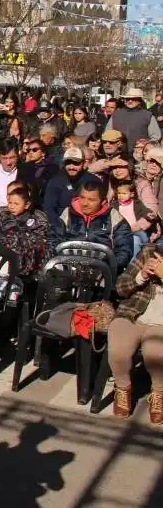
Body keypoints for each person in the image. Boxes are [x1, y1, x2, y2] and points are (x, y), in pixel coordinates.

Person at [108, 243, 163, 423]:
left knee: (155, 354)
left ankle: (158, 393)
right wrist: (142, 276)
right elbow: (120, 287)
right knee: (118, 350)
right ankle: (123, 388)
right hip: (133, 313)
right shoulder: (150, 251)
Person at [49, 177, 133, 271]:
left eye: (91, 200)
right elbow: (53, 240)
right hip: (68, 268)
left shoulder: (114, 218)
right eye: (82, 197)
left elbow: (124, 250)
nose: (85, 203)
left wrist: (109, 268)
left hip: (102, 271)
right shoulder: (68, 213)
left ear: (103, 201)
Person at [0, 183, 50, 277]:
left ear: (27, 203)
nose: (12, 206)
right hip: (1, 252)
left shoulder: (38, 216)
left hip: (28, 259)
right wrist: (8, 241)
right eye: (10, 201)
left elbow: (37, 238)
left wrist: (15, 240)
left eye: (16, 203)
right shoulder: (1, 212)